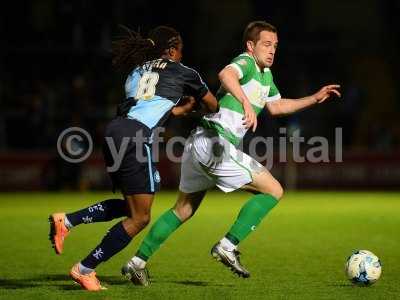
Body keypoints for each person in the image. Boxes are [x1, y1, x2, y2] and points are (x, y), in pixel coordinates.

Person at [122, 21, 341, 285]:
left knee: (183, 209)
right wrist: (246, 102)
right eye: (266, 44)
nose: (272, 50)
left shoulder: (266, 76)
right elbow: (225, 74)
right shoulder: (245, 62)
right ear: (251, 45)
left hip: (199, 142)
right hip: (216, 142)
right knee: (274, 190)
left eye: (275, 46)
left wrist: (313, 99)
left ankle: (137, 262)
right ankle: (227, 245)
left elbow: (277, 107)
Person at [48, 25, 218, 291]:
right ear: (172, 49)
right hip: (136, 137)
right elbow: (212, 104)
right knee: (141, 218)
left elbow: (146, 105)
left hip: (116, 130)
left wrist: (179, 108)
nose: (181, 55)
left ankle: (68, 221)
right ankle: (85, 269)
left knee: (132, 209)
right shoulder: (184, 72)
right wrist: (195, 102)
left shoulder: (135, 73)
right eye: (180, 50)